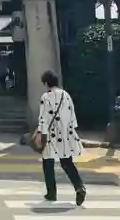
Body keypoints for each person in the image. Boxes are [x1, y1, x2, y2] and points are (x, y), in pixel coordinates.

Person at [34, 70, 86, 205]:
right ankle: (79, 187)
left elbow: (43, 118)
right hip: (65, 134)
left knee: (48, 163)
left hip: (51, 135)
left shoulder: (46, 97)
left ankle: (51, 193)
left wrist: (40, 133)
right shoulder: (66, 95)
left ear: (46, 83)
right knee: (67, 162)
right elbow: (72, 116)